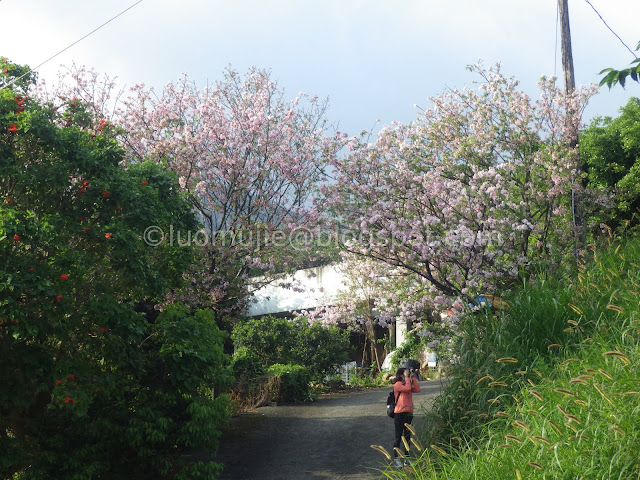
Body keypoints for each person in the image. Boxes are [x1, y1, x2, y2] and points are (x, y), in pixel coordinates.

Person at [392, 367, 420, 468]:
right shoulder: (397, 385)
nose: (407, 375)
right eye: (405, 373)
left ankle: (407, 459)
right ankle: (397, 459)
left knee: (407, 437)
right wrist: (408, 378)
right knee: (398, 436)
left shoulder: (407, 383)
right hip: (399, 414)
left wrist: (412, 378)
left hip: (408, 413)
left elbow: (417, 389)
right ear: (400, 375)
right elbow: (407, 388)